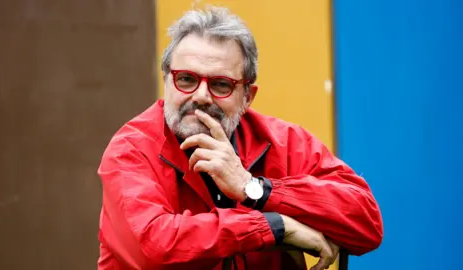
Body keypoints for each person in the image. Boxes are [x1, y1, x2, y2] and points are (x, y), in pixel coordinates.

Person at [96, 6, 383, 270]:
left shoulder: (281, 141)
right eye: (186, 79)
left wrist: (254, 188)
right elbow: (153, 247)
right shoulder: (131, 149)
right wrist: (274, 227)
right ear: (167, 80)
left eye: (221, 84)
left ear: (247, 96)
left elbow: (366, 223)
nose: (200, 96)